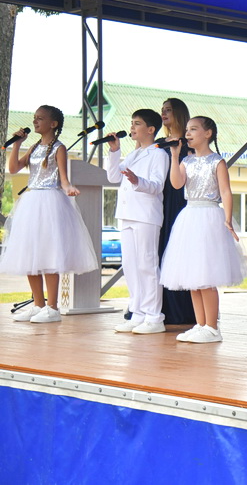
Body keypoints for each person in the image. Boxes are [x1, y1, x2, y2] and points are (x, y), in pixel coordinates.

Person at [3, 105, 99, 323]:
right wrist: (17, 144)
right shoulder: (34, 147)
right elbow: (14, 168)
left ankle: (53, 307)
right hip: (31, 202)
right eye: (34, 118)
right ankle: (38, 305)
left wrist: (69, 188)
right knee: (30, 253)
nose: (35, 121)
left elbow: (63, 179)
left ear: (53, 124)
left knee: (48, 253)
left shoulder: (59, 148)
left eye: (40, 118)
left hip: (50, 202)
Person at [160, 116, 247, 343]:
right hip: (190, 215)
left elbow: (226, 191)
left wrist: (228, 219)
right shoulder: (186, 161)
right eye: (187, 130)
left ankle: (212, 327)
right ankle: (200, 324)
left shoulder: (217, 162)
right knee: (193, 276)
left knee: (206, 275)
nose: (188, 133)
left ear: (207, 134)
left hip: (209, 216)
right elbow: (177, 183)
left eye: (193, 129)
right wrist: (175, 156)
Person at [105, 109, 170, 334]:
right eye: (131, 123)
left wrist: (137, 180)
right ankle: (138, 313)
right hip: (127, 214)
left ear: (151, 129)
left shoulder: (158, 154)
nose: (132, 127)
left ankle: (154, 317)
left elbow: (157, 185)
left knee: (147, 265)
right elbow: (113, 177)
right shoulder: (133, 154)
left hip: (145, 216)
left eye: (137, 123)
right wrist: (115, 151)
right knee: (131, 266)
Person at [157, 98, 196, 325]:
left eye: (169, 110)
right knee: (159, 250)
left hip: (181, 200)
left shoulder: (189, 144)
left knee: (180, 251)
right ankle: (158, 307)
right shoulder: (158, 143)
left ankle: (183, 309)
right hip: (159, 199)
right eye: (162, 110)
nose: (164, 113)